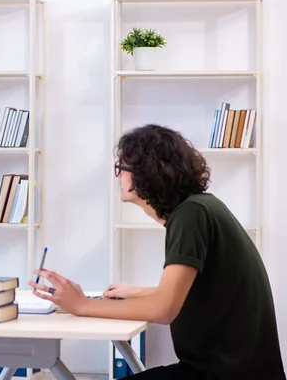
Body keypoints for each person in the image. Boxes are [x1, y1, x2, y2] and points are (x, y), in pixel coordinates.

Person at [29, 124, 285, 380]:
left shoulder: (191, 215)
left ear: (145, 175)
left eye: (121, 168)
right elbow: (209, 290)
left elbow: (164, 310)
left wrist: (81, 305)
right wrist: (141, 292)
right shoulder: (202, 207)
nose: (117, 176)